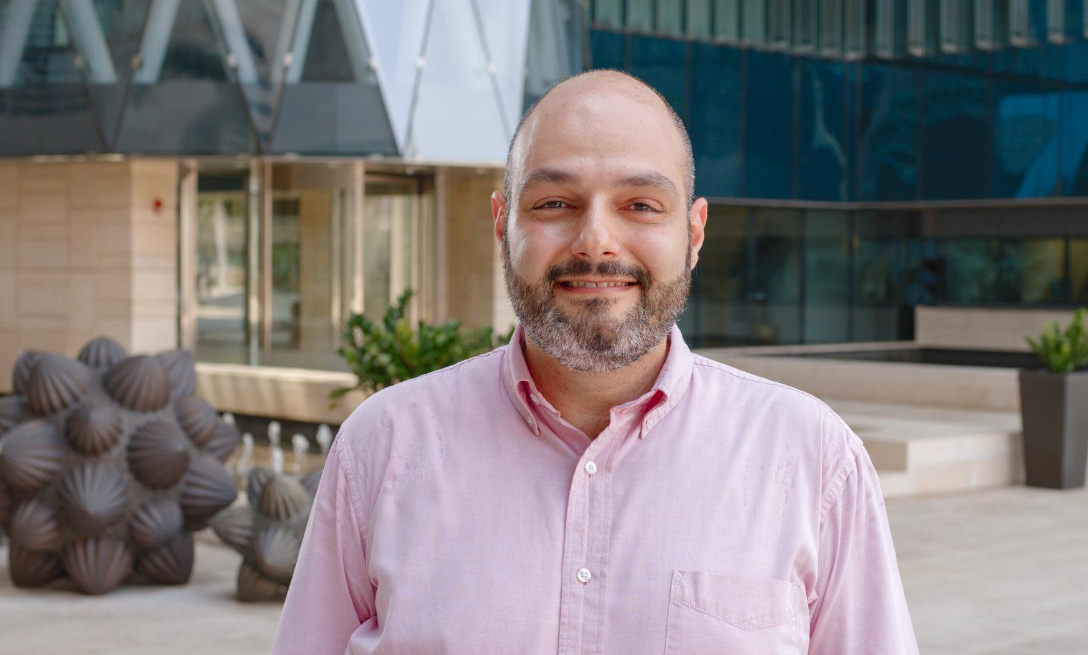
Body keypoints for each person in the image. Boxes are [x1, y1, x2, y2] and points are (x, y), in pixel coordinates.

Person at [273, 70, 918, 654]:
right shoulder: (383, 447)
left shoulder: (812, 460)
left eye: (640, 204)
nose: (596, 242)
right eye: (555, 203)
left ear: (694, 233)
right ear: (503, 224)